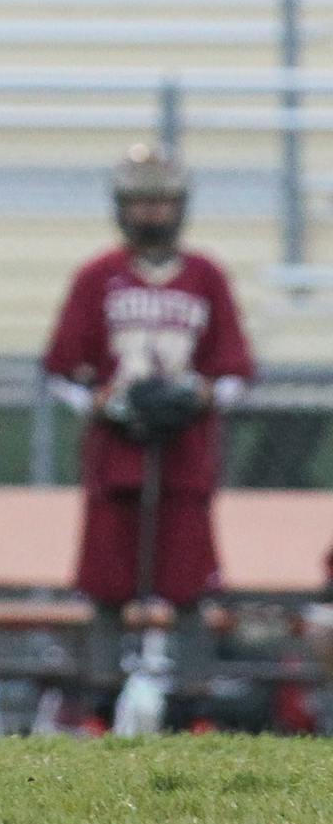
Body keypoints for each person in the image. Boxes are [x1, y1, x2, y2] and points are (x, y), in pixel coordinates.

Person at [43, 144, 253, 729]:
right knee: (107, 590)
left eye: (162, 202)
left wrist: (198, 398)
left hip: (183, 460)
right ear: (121, 206)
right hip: (117, 461)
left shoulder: (206, 277)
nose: (152, 214)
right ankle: (99, 706)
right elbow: (60, 369)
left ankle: (195, 708)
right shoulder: (96, 278)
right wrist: (104, 404)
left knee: (188, 591)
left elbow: (235, 370)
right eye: (141, 201)